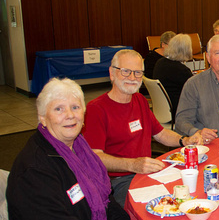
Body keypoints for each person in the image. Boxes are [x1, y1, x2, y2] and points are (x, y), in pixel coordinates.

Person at [7, 78, 159, 220]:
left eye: (75, 107)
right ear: (42, 117)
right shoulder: (35, 169)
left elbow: (105, 200)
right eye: (59, 109)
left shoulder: (79, 150)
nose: (70, 115)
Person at [84, 49, 201, 206]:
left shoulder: (139, 100)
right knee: (162, 205)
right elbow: (94, 157)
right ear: (112, 73)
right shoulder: (96, 109)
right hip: (117, 181)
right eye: (126, 71)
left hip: (145, 173)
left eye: (138, 73)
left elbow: (160, 133)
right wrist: (133, 165)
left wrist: (184, 141)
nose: (132, 78)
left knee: (186, 189)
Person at [152, 33, 193, 119]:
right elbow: (196, 90)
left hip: (162, 109)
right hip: (178, 111)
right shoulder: (182, 70)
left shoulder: (160, 62)